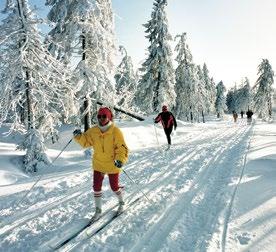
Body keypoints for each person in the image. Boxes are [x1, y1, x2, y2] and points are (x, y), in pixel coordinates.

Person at [73, 107, 128, 220]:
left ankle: (122, 202)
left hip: (112, 164)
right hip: (98, 164)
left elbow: (122, 148)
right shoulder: (93, 131)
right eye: (99, 116)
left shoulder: (115, 131)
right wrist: (79, 136)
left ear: (109, 117)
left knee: (114, 187)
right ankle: (98, 210)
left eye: (104, 116)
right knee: (96, 187)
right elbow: (86, 142)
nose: (101, 119)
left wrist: (120, 160)